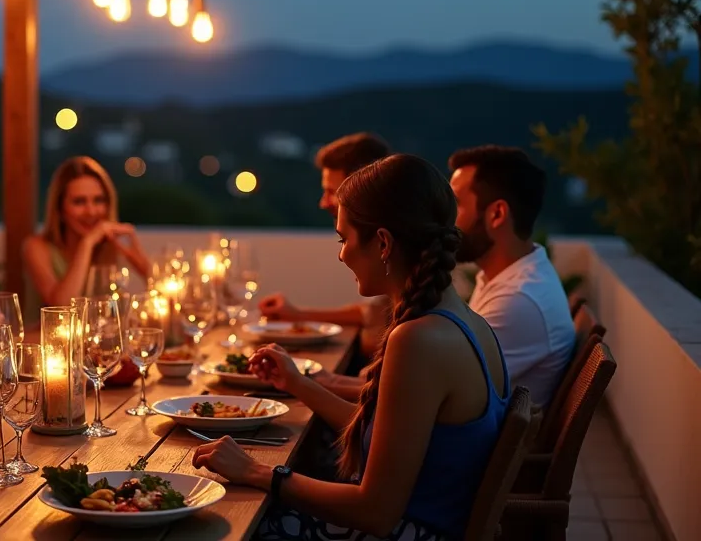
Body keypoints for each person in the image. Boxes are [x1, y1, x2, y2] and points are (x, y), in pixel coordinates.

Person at [193, 155, 510, 540]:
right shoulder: (466, 321)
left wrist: (256, 472)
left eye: (343, 239)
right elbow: (390, 440)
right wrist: (298, 384)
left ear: (382, 243)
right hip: (427, 523)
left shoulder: (419, 340)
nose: (341, 254)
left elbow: (374, 510)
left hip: (403, 532)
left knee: (218, 522)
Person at [256, 132, 391, 399]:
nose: (323, 202)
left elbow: (381, 409)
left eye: (331, 191)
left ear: (360, 188)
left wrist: (302, 383)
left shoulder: (414, 333)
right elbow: (371, 313)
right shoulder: (400, 284)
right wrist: (297, 315)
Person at [449, 145, 574, 407]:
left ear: (497, 214)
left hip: (474, 443)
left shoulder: (518, 300)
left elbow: (435, 391)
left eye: (456, 204)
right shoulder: (508, 276)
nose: (445, 219)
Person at [23, 156, 152, 306]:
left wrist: (139, 260)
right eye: (79, 202)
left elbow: (162, 289)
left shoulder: (112, 247)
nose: (91, 212)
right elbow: (62, 306)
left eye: (98, 200)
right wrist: (87, 243)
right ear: (60, 209)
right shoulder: (36, 247)